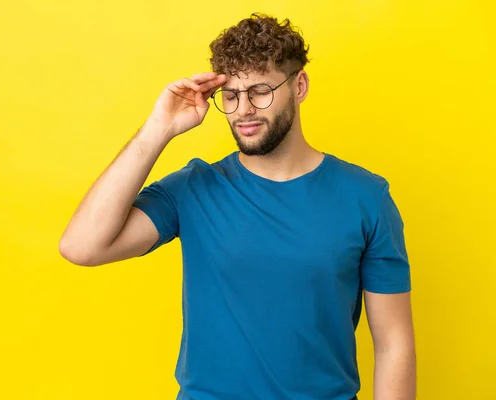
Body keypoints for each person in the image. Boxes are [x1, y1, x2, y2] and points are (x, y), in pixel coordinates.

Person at [59, 13, 416, 400]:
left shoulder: (366, 197)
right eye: (230, 96)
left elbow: (394, 345)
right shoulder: (193, 189)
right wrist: (157, 128)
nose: (243, 109)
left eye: (260, 91)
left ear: (299, 86)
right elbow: (82, 247)